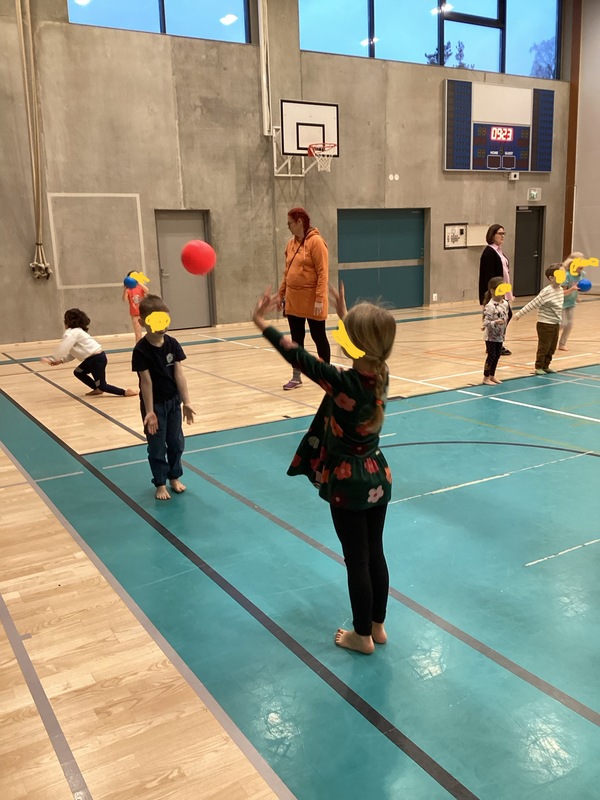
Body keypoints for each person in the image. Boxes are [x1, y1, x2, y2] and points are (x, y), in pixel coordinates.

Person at [253, 282, 396, 655]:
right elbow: (362, 347)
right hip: (378, 476)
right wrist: (344, 312)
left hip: (348, 482)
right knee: (375, 554)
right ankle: (377, 626)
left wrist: (261, 322)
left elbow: (297, 354)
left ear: (357, 344)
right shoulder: (381, 373)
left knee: (356, 561)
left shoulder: (341, 381)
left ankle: (361, 636)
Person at [132, 294, 195, 500]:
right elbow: (146, 382)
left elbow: (179, 375)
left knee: (176, 442)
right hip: (155, 405)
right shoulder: (141, 350)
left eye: (165, 320)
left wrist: (186, 402)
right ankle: (160, 482)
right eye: (156, 321)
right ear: (143, 322)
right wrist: (150, 411)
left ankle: (174, 476)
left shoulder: (173, 344)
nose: (162, 326)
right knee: (157, 446)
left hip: (173, 402)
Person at [277, 207, 330, 390]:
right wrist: (281, 294)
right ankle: (296, 376)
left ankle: (326, 375)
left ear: (299, 222)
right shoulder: (290, 244)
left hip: (313, 300)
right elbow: (287, 273)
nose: (288, 226)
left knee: (318, 336)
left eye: (290, 223)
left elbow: (323, 273)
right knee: (296, 339)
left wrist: (319, 298)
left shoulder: (317, 242)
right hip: (294, 300)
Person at [41, 308, 138, 398]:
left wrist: (52, 358)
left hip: (96, 359)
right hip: (93, 359)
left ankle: (124, 392)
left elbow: (64, 346)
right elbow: (73, 352)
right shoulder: (77, 332)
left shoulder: (71, 333)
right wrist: (61, 360)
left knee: (103, 385)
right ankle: (97, 388)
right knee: (78, 372)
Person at [513, 264, 564, 374]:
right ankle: (539, 367)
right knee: (544, 346)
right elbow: (533, 304)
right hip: (545, 324)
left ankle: (546, 365)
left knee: (552, 347)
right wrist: (519, 314)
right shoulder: (547, 291)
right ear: (551, 278)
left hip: (555, 323)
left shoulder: (560, 290)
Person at [479, 224, 512, 356]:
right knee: (497, 317)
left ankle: (497, 342)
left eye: (504, 233)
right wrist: (493, 294)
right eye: (500, 233)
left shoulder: (499, 251)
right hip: (495, 293)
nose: (502, 236)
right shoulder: (489, 252)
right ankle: (493, 344)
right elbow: (489, 277)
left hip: (502, 291)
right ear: (492, 235)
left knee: (506, 316)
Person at [481, 277, 510, 385]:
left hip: (500, 335)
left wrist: (504, 321)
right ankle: (485, 377)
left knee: (497, 355)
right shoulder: (490, 306)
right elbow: (486, 322)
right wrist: (495, 323)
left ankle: (492, 375)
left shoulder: (505, 303)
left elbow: (506, 316)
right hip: (491, 337)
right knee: (491, 356)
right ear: (493, 290)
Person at [558, 251, 585, 350]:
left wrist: (576, 296)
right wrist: (572, 289)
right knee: (562, 324)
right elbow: (562, 293)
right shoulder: (567, 275)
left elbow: (578, 287)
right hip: (561, 303)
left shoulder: (582, 275)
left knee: (569, 324)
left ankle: (562, 344)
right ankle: (549, 336)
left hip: (571, 303)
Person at [123, 271, 149, 342]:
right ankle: (139, 346)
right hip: (135, 314)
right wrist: (125, 291)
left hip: (144, 312)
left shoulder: (140, 287)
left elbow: (147, 290)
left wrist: (138, 282)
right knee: (138, 334)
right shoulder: (128, 289)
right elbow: (125, 299)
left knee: (150, 331)